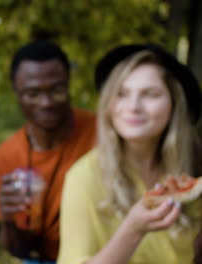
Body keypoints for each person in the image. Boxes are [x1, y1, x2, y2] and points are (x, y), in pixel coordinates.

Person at [57, 44, 202, 264]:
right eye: (122, 94)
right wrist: (132, 231)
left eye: (150, 94)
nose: (133, 106)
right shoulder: (84, 177)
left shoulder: (194, 166)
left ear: (174, 104)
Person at [0, 41, 96, 263]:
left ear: (68, 85)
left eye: (57, 90)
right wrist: (8, 219)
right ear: (16, 93)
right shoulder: (3, 159)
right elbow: (19, 250)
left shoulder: (102, 134)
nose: (46, 103)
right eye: (33, 94)